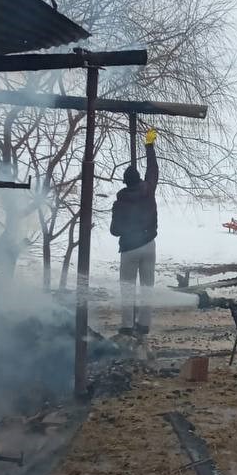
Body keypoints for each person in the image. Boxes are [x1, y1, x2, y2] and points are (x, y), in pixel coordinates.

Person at [110, 127, 159, 339]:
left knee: (128, 288)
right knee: (147, 286)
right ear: (139, 180)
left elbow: (114, 230)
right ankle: (144, 325)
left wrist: (126, 229)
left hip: (129, 249)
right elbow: (153, 169)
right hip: (149, 244)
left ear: (125, 183)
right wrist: (149, 146)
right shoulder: (148, 189)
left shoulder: (120, 202)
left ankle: (128, 325)